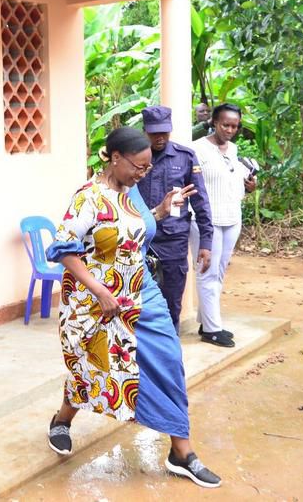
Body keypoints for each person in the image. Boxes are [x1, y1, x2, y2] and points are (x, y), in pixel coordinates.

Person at [45, 127, 221, 488]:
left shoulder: (132, 193)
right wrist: (99, 291)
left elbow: (138, 231)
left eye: (147, 167)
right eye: (138, 166)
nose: (143, 173)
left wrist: (161, 209)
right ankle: (62, 420)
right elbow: (63, 249)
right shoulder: (88, 197)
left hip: (142, 292)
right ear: (114, 158)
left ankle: (181, 452)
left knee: (169, 362)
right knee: (92, 365)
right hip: (95, 303)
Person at [137, 106, 214, 332]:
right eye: (154, 133)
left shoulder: (185, 157)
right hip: (141, 240)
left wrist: (206, 243)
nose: (160, 137)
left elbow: (201, 202)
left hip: (173, 243)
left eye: (164, 132)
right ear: (145, 131)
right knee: (139, 303)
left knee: (171, 303)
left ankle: (170, 352)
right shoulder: (135, 158)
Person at [188, 103, 256, 348]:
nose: (230, 130)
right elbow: (192, 184)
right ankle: (213, 330)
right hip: (207, 221)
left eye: (234, 126)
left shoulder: (234, 149)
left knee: (220, 271)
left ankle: (206, 320)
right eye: (225, 124)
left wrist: (248, 186)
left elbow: (230, 179)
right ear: (214, 122)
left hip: (231, 218)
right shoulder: (196, 149)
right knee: (207, 271)